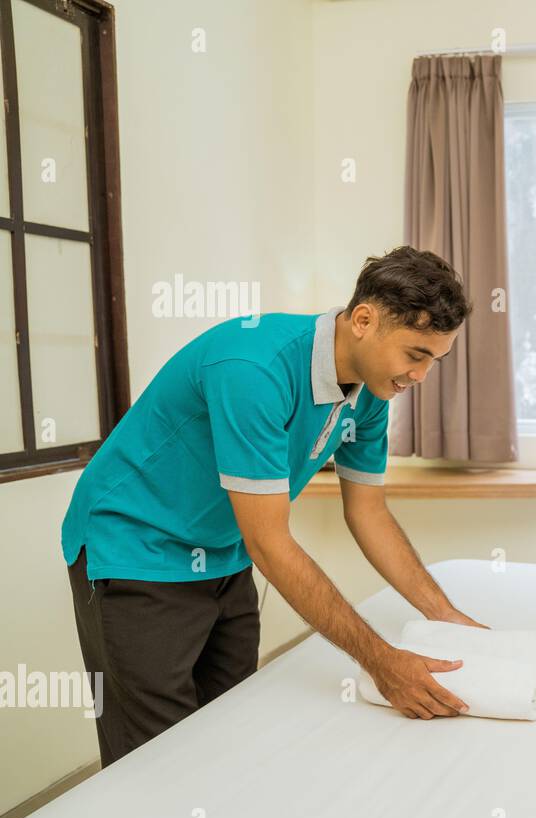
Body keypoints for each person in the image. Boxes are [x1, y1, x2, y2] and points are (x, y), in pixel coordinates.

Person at [62, 245, 484, 768]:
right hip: (135, 548)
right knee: (156, 760)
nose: (420, 376)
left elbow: (368, 512)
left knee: (230, 729)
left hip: (224, 551)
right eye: (415, 354)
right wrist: (381, 661)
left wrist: (443, 614)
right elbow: (270, 541)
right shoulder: (254, 368)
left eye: (434, 361)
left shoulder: (374, 392)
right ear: (363, 320)